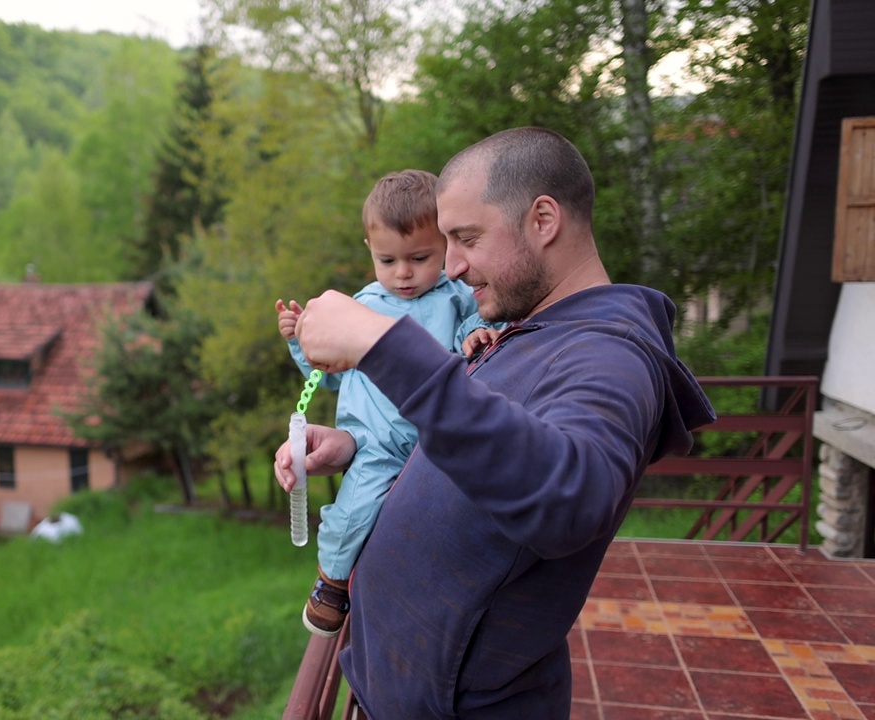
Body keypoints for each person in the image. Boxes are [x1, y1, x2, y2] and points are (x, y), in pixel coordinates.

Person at [275, 127, 715, 719]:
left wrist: (381, 343)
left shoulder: (609, 354)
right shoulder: (528, 328)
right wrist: (352, 446)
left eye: (467, 238)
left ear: (542, 220)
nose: (451, 266)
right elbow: (470, 446)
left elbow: (570, 497)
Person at [275, 169, 499, 638]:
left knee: (446, 524)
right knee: (354, 509)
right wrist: (301, 341)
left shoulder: (457, 298)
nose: (403, 273)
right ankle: (332, 580)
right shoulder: (359, 306)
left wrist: (474, 335)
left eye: (419, 258)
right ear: (369, 250)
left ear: (444, 246)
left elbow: (468, 337)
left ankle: (434, 603)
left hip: (438, 437)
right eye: (388, 260)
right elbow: (330, 375)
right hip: (375, 441)